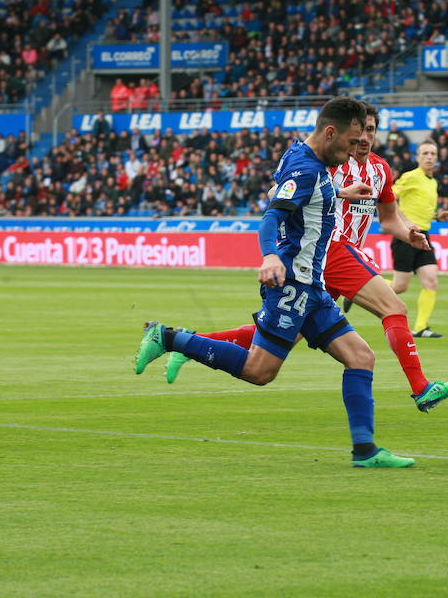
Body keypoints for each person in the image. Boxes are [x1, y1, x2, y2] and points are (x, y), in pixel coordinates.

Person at [134, 97, 415, 468]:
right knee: (260, 371)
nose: (351, 152)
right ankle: (167, 337)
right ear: (330, 132)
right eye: (349, 142)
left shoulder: (305, 158)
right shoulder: (306, 169)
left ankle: (365, 450)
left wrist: (339, 193)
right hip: (293, 285)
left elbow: (304, 199)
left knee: (361, 356)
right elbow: (271, 217)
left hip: (313, 287)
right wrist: (269, 256)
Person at [163, 103, 448, 412]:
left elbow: (388, 219)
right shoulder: (331, 161)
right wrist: (339, 191)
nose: (364, 137)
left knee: (281, 336)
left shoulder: (380, 170)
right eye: (360, 130)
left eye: (371, 130)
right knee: (394, 307)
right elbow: (276, 193)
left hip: (333, 260)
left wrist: (408, 234)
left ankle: (190, 344)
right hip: (333, 248)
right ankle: (422, 387)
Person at [388, 139, 448, 338]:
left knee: (431, 281)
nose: (429, 157)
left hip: (424, 235)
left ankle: (421, 327)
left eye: (433, 153)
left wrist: (437, 217)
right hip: (407, 236)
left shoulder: (432, 182)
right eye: (425, 153)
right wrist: (405, 221)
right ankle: (361, 287)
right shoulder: (411, 177)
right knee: (400, 286)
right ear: (418, 157)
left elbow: (419, 209)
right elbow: (388, 195)